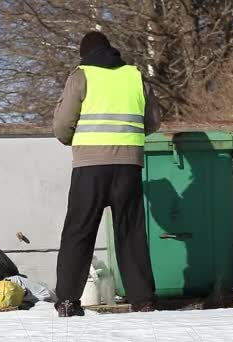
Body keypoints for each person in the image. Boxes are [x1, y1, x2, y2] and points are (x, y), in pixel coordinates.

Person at [52, 31, 160, 317]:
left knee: (79, 232)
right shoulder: (135, 76)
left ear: (84, 53)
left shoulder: (81, 75)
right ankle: (143, 300)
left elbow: (62, 125)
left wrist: (72, 139)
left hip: (90, 166)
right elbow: (152, 122)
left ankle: (67, 301)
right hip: (129, 166)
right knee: (131, 232)